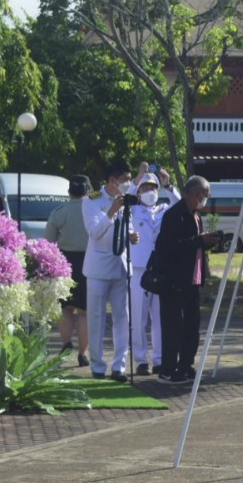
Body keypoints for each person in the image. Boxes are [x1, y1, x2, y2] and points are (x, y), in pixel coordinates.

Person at [154, 176, 221, 383]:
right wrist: (199, 240)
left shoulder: (195, 215)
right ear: (196, 193)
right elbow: (170, 245)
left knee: (192, 327)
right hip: (174, 281)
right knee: (173, 327)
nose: (206, 199)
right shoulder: (175, 214)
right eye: (205, 195)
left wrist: (206, 241)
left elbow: (192, 244)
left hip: (193, 280)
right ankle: (167, 369)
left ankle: (185, 366)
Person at [82, 160, 137, 381]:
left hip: (120, 266)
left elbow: (127, 225)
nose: (128, 183)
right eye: (125, 180)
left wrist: (131, 234)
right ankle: (97, 366)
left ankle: (119, 366)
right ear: (112, 180)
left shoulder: (127, 200)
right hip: (98, 268)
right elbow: (94, 232)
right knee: (96, 318)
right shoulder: (91, 201)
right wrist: (111, 212)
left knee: (122, 317)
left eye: (130, 179)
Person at [126, 169, 179, 375]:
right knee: (138, 319)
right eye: (144, 188)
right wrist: (136, 181)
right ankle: (141, 360)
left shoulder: (164, 209)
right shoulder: (132, 210)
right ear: (138, 192)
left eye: (153, 188)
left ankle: (159, 359)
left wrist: (168, 186)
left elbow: (180, 205)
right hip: (139, 270)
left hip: (161, 270)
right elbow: (125, 200)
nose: (149, 191)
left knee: (160, 318)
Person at [45, 174, 91, 368]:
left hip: (64, 263)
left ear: (69, 191)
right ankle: (83, 353)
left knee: (66, 307)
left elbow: (48, 243)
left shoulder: (59, 212)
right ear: (88, 191)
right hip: (89, 263)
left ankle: (66, 343)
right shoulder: (93, 212)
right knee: (85, 311)